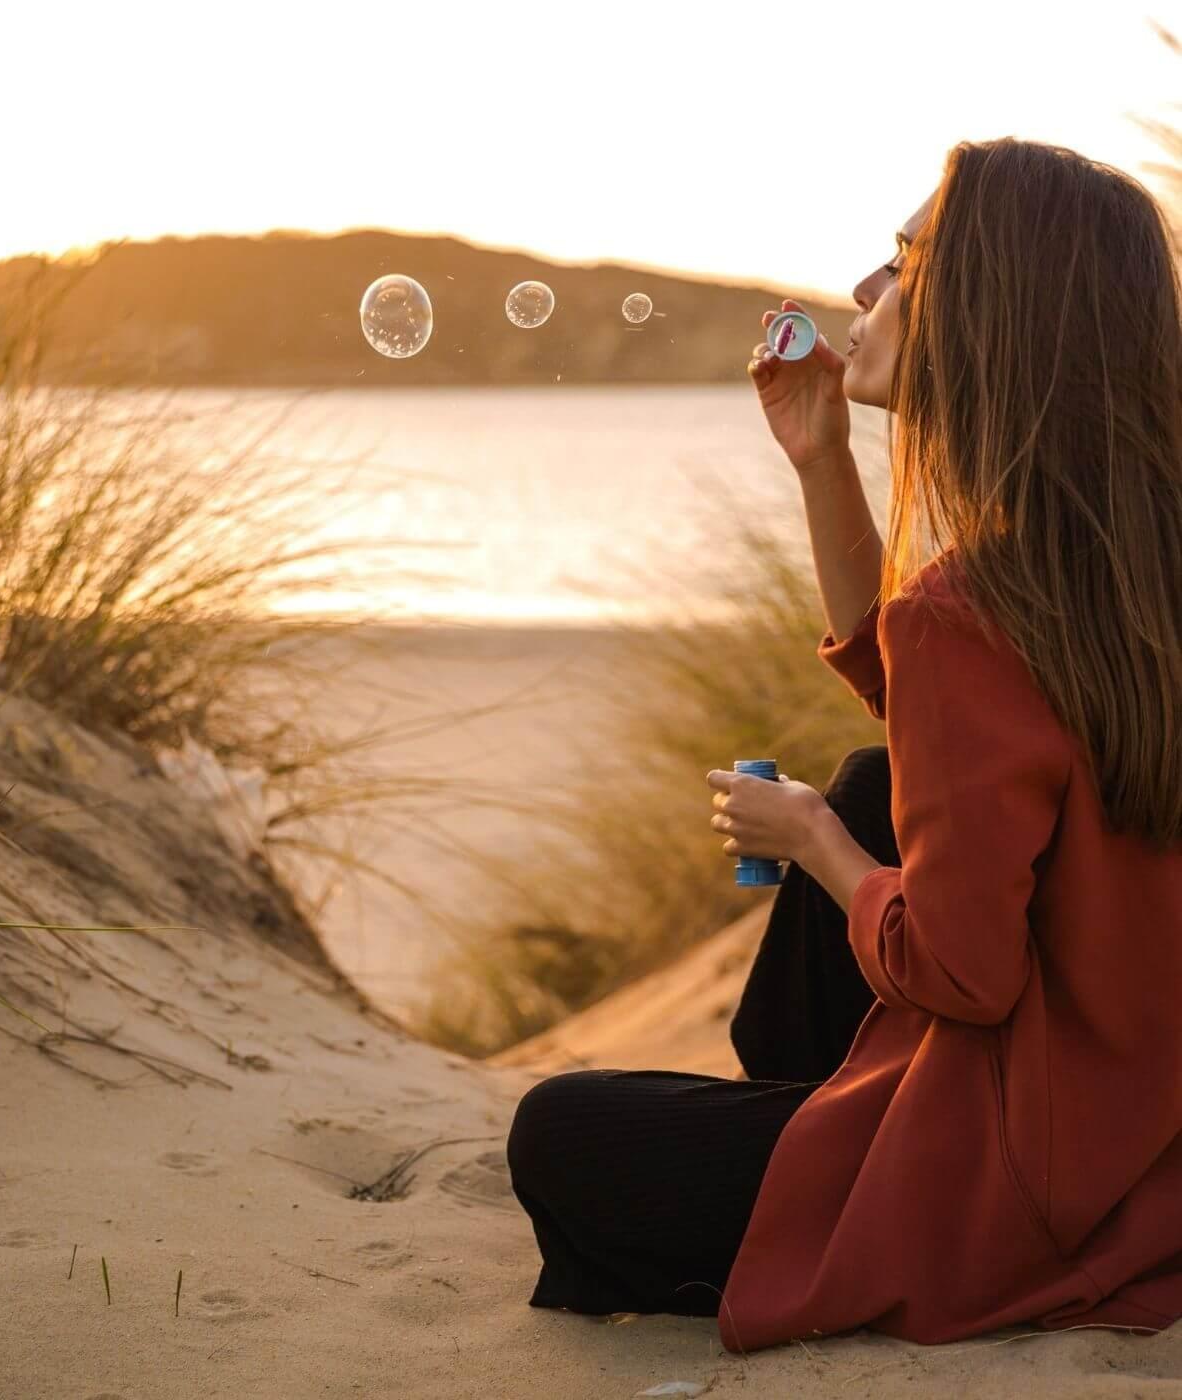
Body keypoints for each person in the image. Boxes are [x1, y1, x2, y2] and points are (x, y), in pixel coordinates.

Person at [505, 136, 1182, 1353]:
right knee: (883, 780)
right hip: (1138, 1134)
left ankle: (832, 1154)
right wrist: (822, 457)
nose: (863, 290)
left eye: (903, 259)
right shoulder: (1130, 566)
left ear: (986, 308)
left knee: (561, 1135)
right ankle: (816, 1117)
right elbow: (961, 729)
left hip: (1017, 1180)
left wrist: (811, 836)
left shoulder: (975, 609)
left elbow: (964, 972)